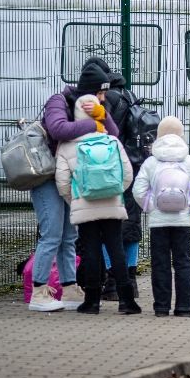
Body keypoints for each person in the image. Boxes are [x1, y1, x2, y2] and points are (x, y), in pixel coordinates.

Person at [27, 62, 120, 312]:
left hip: (70, 179)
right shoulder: (58, 101)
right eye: (100, 93)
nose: (103, 98)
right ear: (89, 91)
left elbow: (113, 134)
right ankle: (39, 291)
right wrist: (92, 125)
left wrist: (101, 115)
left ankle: (69, 289)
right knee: (52, 235)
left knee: (69, 237)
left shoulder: (95, 107)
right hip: (47, 178)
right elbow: (58, 129)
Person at [54, 93, 138, 315]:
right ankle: (127, 300)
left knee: (91, 250)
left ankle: (91, 301)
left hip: (84, 206)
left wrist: (76, 201)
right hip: (112, 203)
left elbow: (62, 182)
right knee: (116, 248)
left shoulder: (67, 145)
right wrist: (115, 192)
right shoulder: (111, 140)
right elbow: (127, 173)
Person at [131, 116, 190, 317]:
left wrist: (152, 206)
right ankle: (184, 307)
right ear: (181, 136)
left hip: (158, 222)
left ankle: (161, 307)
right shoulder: (188, 161)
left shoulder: (151, 162)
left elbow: (138, 190)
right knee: (183, 262)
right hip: (181, 221)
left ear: (158, 136)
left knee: (160, 263)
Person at [82, 57, 142, 306]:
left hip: (109, 169)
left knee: (109, 228)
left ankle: (110, 282)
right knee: (131, 225)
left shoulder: (108, 100)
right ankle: (130, 279)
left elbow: (104, 132)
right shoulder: (129, 94)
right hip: (133, 165)